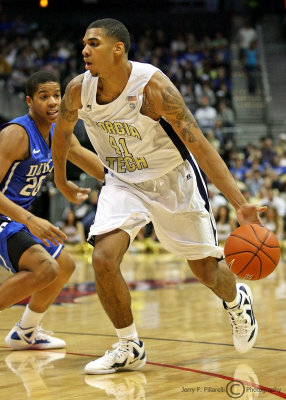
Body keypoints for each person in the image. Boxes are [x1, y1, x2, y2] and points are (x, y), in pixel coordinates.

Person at [52, 18, 266, 374]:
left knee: (206, 272)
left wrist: (240, 204)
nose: (84, 50)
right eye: (84, 44)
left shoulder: (154, 88)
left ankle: (236, 301)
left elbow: (201, 147)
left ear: (118, 48)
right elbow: (62, 135)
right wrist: (60, 180)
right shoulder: (77, 90)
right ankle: (129, 345)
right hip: (122, 180)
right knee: (103, 259)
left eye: (93, 43)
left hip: (171, 179)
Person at [0, 71, 104, 350]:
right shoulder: (16, 134)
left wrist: (128, 181)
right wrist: (31, 219)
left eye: (57, 95)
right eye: (44, 96)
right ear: (29, 102)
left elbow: (87, 159)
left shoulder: (58, 132)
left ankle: (26, 331)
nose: (53, 102)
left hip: (16, 218)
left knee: (64, 266)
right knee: (45, 268)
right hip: (5, 217)